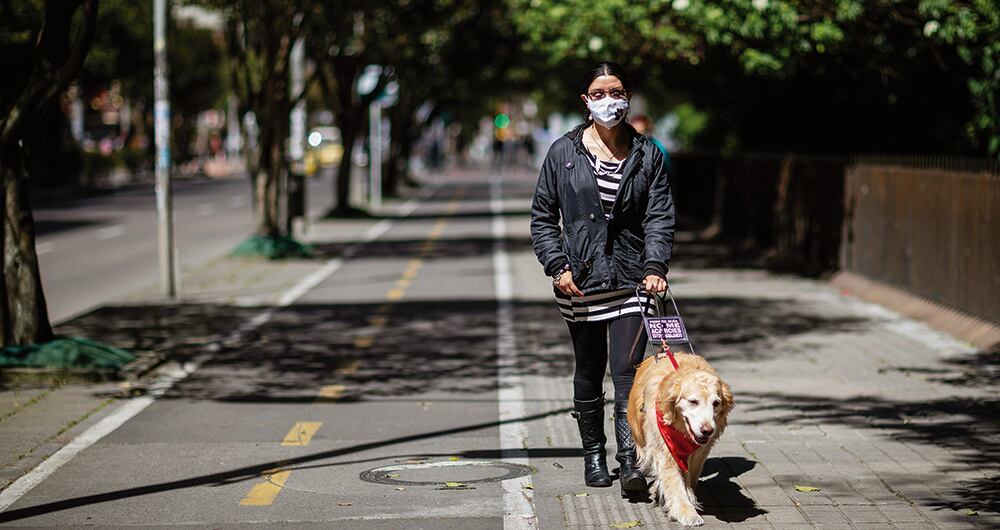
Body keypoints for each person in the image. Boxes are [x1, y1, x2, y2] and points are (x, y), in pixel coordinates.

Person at [530, 62, 675, 498]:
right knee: (589, 369)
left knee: (627, 371)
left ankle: (629, 459)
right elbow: (542, 218)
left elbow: (659, 217)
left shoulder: (648, 153)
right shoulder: (563, 152)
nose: (608, 99)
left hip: (633, 280)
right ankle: (593, 453)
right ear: (586, 100)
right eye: (599, 92)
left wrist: (655, 267)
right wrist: (558, 266)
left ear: (627, 96)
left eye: (615, 91)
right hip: (580, 280)